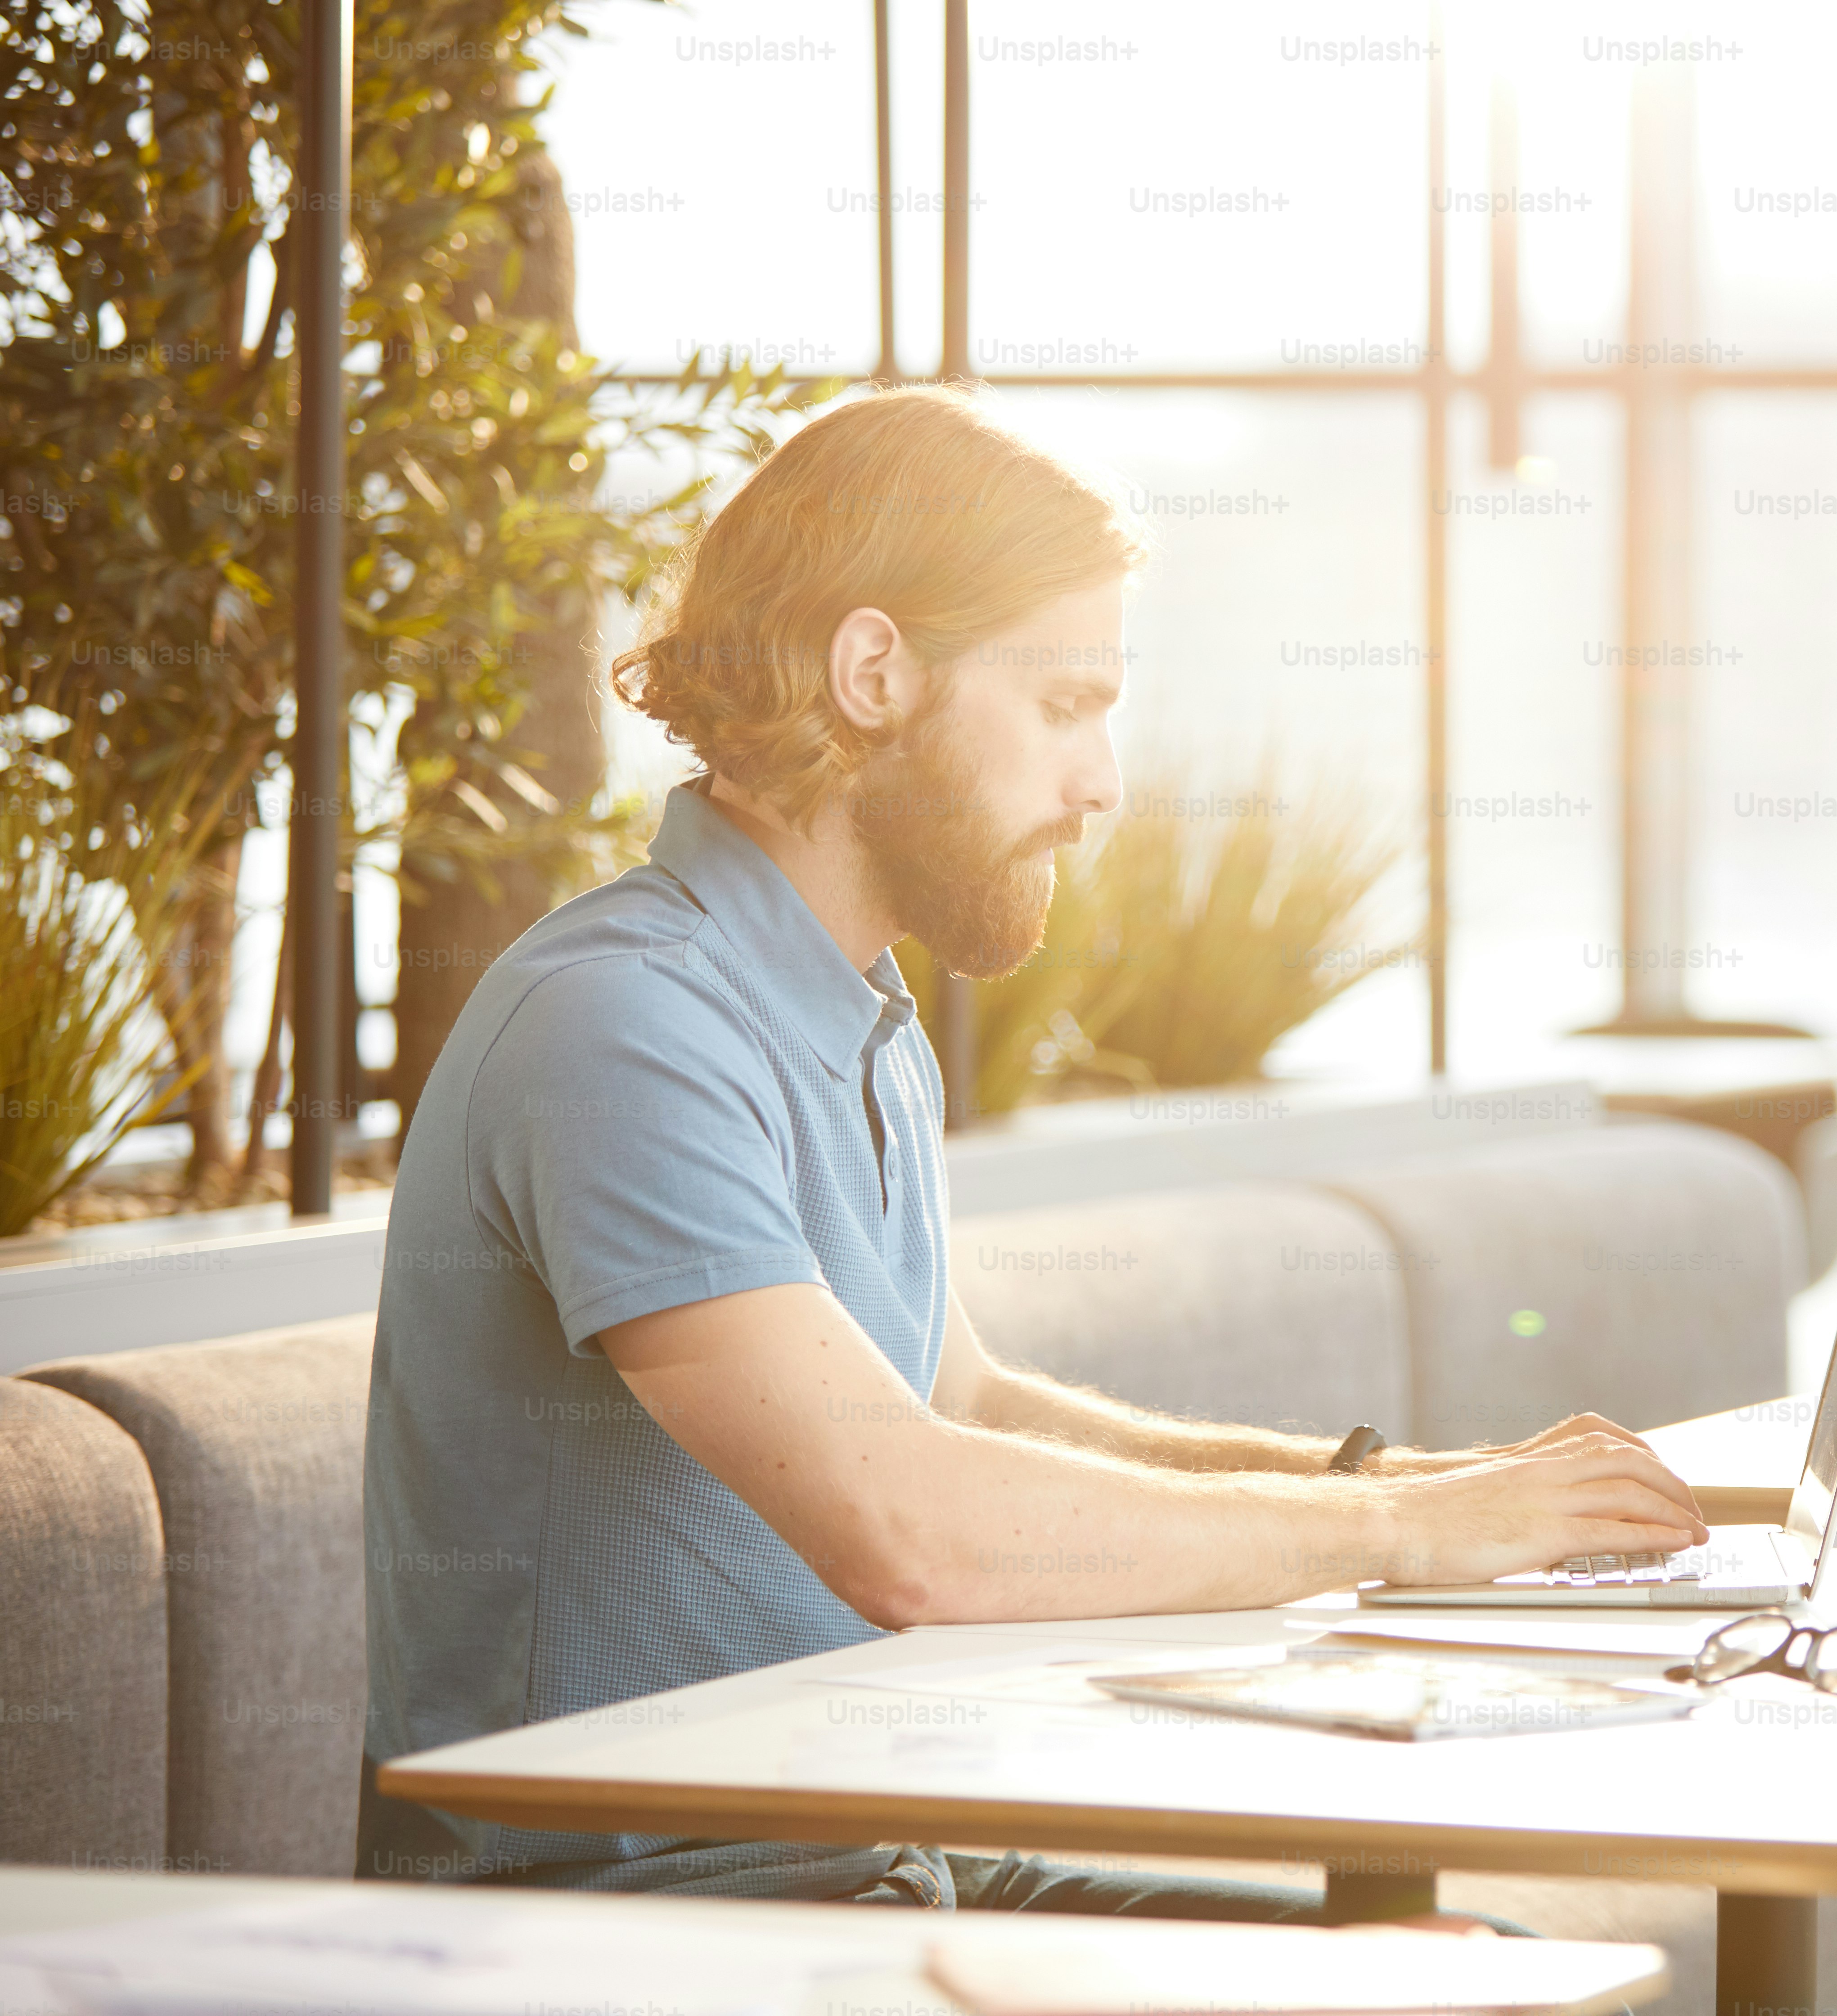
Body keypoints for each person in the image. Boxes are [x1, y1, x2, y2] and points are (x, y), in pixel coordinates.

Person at [358, 386, 1710, 1915]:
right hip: (654, 1930)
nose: (1103, 782)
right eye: (1067, 705)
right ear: (874, 671)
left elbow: (962, 1403)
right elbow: (908, 1528)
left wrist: (1395, 1485)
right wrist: (1396, 1531)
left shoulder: (857, 1019)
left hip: (892, 1864)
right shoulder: (621, 1024)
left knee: (1490, 1979)